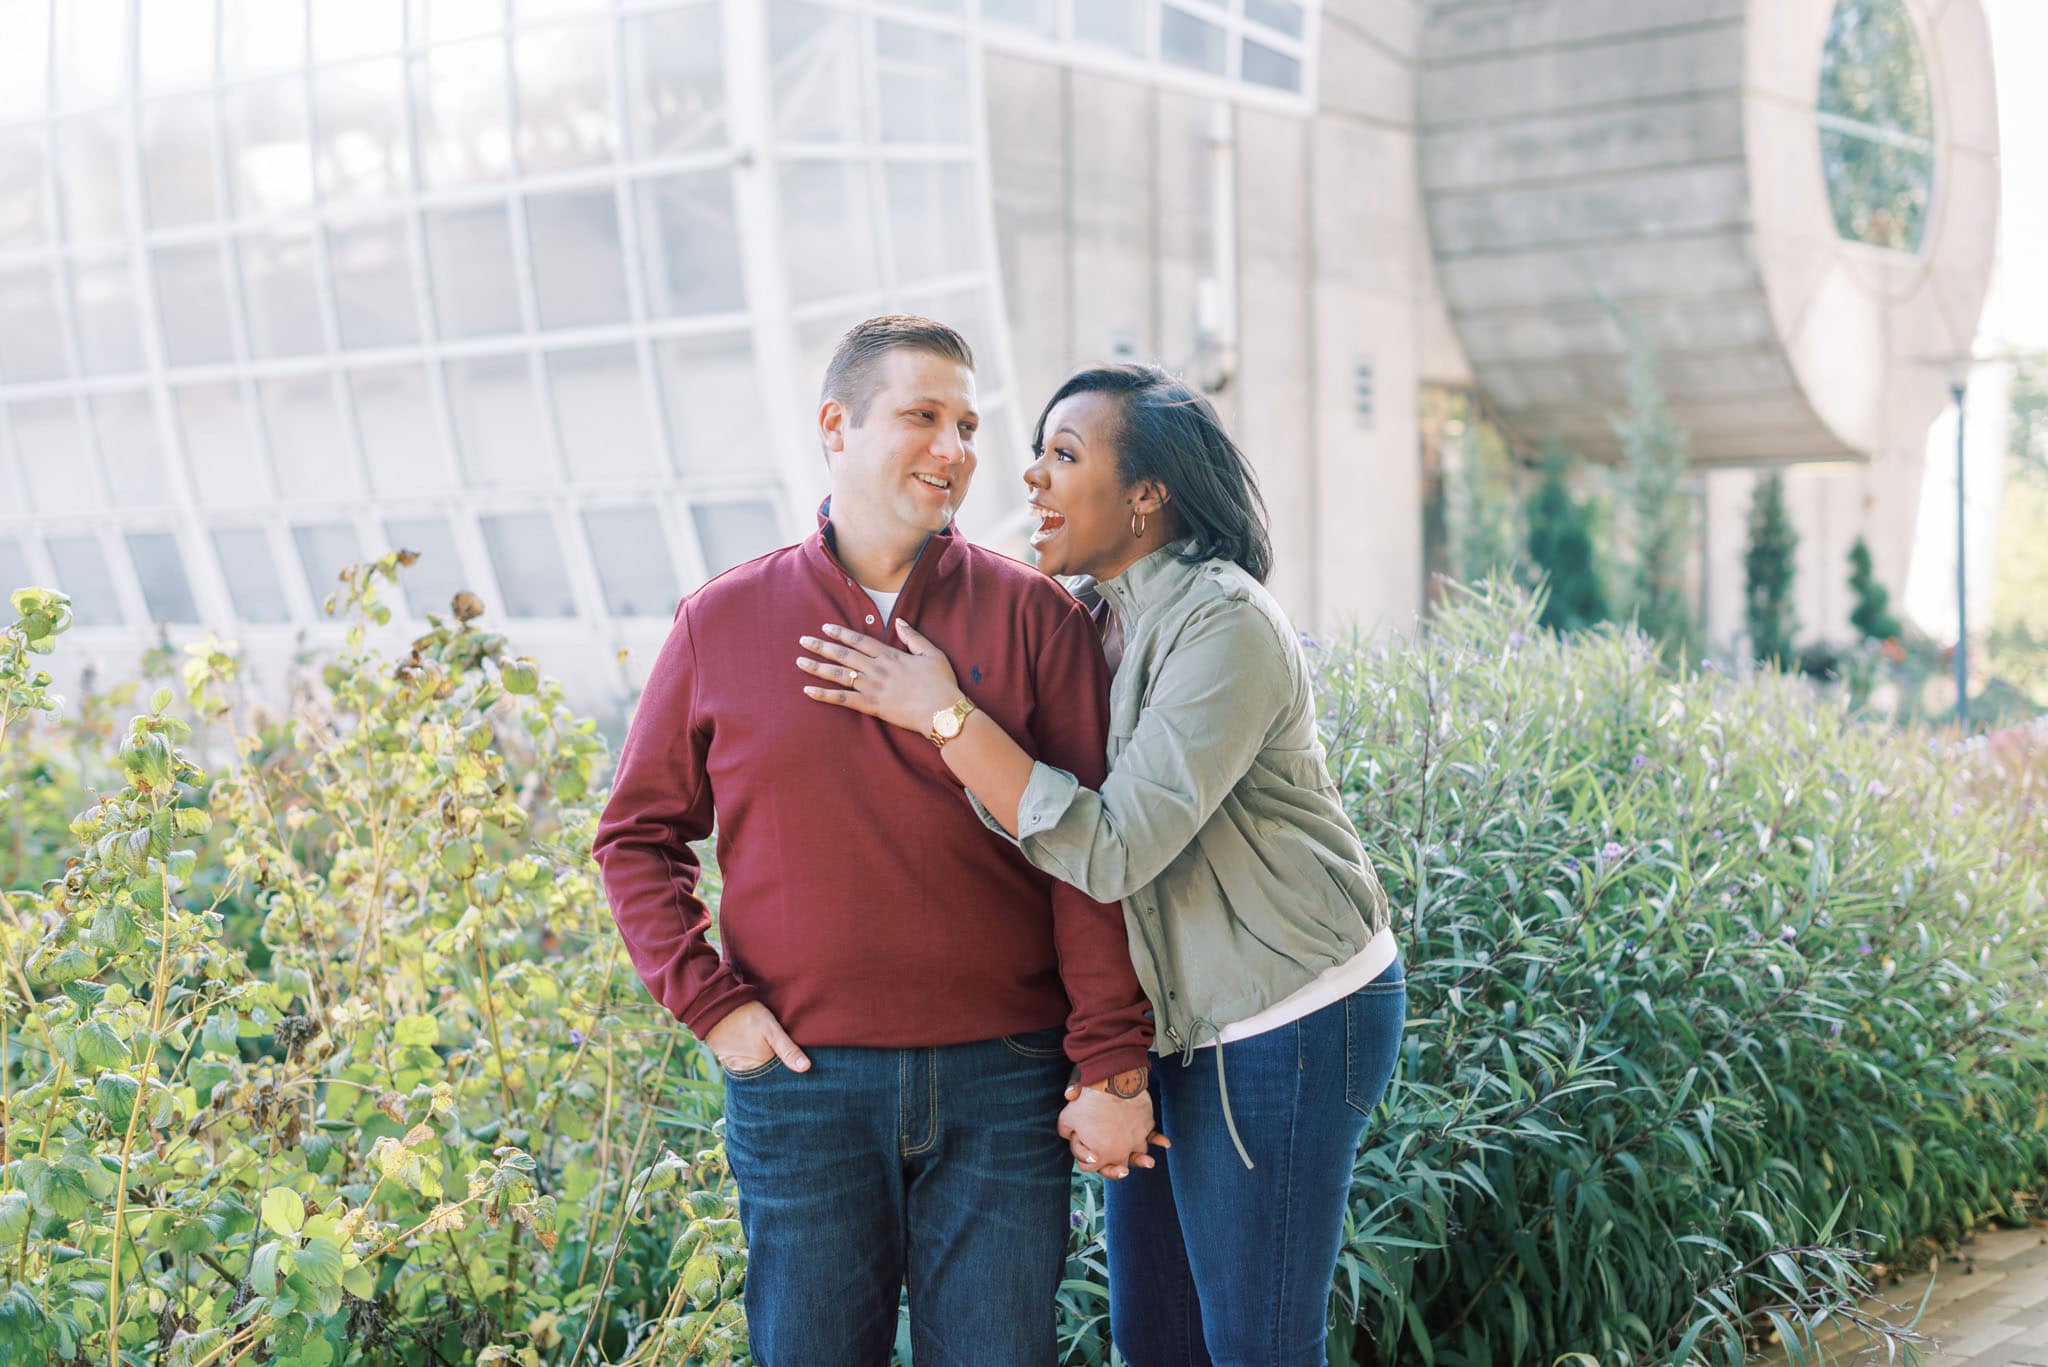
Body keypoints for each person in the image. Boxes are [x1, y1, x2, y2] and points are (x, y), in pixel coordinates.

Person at [796, 363, 1405, 1366]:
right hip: (1174, 1019)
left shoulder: (1225, 626)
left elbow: (1113, 846)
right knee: (1154, 1339)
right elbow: (1029, 800)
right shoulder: (1087, 619)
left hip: (1284, 1019)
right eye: (1032, 451)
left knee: (1251, 1344)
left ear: (1147, 494)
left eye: (1063, 454)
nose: (1030, 475)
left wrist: (945, 713)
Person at [594, 319, 1159, 1366]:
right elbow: (636, 835)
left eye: (966, 424)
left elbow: (1087, 853)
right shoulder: (722, 620)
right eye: (921, 416)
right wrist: (711, 1006)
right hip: (803, 1085)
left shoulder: (1034, 618)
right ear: (834, 427)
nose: (953, 448)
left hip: (1004, 1079)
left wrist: (1108, 1056)